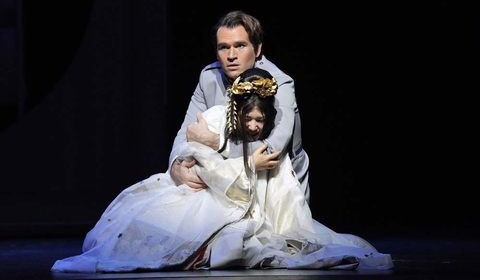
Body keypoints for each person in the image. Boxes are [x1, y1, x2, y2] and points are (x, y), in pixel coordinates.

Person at [51, 69, 393, 272]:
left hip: (242, 204)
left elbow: (272, 190)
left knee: (232, 241)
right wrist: (201, 162)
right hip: (203, 193)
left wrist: (243, 165)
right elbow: (193, 153)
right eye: (249, 119)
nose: (255, 126)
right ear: (237, 114)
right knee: (144, 223)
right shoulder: (217, 117)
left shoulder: (268, 138)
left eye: (261, 120)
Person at [169, 10, 311, 202]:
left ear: (257, 49)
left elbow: (271, 152)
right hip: (226, 181)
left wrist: (217, 142)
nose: (231, 55)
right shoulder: (209, 77)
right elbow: (185, 132)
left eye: (240, 46)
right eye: (224, 47)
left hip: (277, 186)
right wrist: (175, 166)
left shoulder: (279, 84)